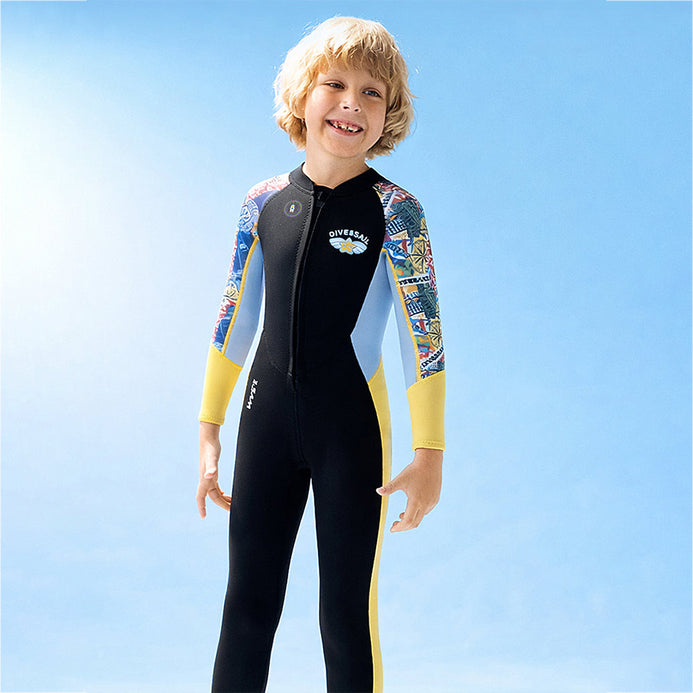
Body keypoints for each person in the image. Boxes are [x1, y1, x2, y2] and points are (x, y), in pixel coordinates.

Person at [196, 16, 445, 693]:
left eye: (372, 92)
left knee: (345, 615)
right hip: (266, 423)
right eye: (334, 84)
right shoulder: (261, 203)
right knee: (246, 608)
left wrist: (428, 453)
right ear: (302, 97)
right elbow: (233, 317)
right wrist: (209, 428)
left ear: (388, 113)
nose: (350, 103)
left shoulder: (397, 212)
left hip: (352, 431)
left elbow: (423, 337)